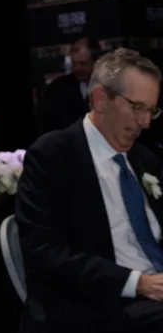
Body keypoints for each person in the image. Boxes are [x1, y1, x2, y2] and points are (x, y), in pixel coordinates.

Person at [16, 48, 163, 331]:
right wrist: (139, 284)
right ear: (99, 99)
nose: (145, 123)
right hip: (98, 304)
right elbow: (44, 252)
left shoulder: (145, 159)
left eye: (151, 110)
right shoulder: (53, 156)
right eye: (137, 107)